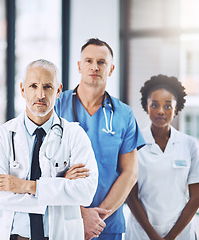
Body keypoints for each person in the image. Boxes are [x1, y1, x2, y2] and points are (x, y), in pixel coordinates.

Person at [0, 59, 99, 240]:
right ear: (22, 89)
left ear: (59, 90)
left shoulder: (75, 135)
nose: (40, 94)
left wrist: (26, 186)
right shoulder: (2, 136)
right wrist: (59, 187)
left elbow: (86, 192)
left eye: (47, 87)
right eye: (33, 86)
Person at [54, 38, 145, 240]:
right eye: (88, 61)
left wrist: (97, 217)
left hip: (106, 224)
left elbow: (130, 172)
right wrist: (80, 213)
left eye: (101, 62)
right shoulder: (57, 107)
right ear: (79, 66)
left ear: (111, 69)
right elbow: (43, 168)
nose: (94, 66)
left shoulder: (124, 115)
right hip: (63, 220)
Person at [125, 75, 199, 240]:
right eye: (154, 105)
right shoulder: (134, 143)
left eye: (167, 106)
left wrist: (171, 237)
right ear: (146, 106)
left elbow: (196, 198)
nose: (160, 111)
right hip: (142, 233)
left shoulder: (189, 144)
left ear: (176, 108)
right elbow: (130, 195)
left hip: (181, 233)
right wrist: (154, 236)